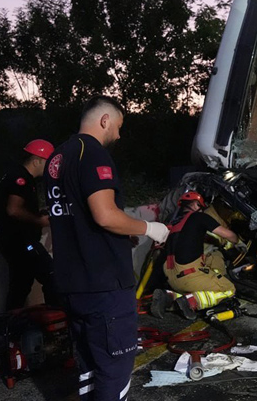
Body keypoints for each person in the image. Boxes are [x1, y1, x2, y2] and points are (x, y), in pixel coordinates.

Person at [45, 95, 170, 401]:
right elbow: (104, 215)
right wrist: (149, 228)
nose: (118, 134)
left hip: (72, 283)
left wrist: (120, 234)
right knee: (114, 369)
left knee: (89, 366)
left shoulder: (57, 158)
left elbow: (75, 214)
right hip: (104, 284)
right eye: (118, 126)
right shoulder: (94, 154)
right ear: (104, 120)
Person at [151, 191, 240, 320]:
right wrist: (239, 241)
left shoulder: (172, 224)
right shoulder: (199, 217)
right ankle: (192, 301)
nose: (201, 210)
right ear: (195, 204)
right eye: (201, 207)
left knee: (195, 286)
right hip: (190, 277)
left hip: (171, 278)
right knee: (229, 290)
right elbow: (229, 235)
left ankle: (168, 296)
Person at [0, 139, 59, 310]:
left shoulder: (19, 176)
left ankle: (10, 329)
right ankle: (54, 318)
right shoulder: (20, 178)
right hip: (23, 242)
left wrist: (39, 213)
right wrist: (39, 220)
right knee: (51, 274)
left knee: (20, 286)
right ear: (37, 160)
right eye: (47, 162)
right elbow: (13, 210)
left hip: (16, 241)